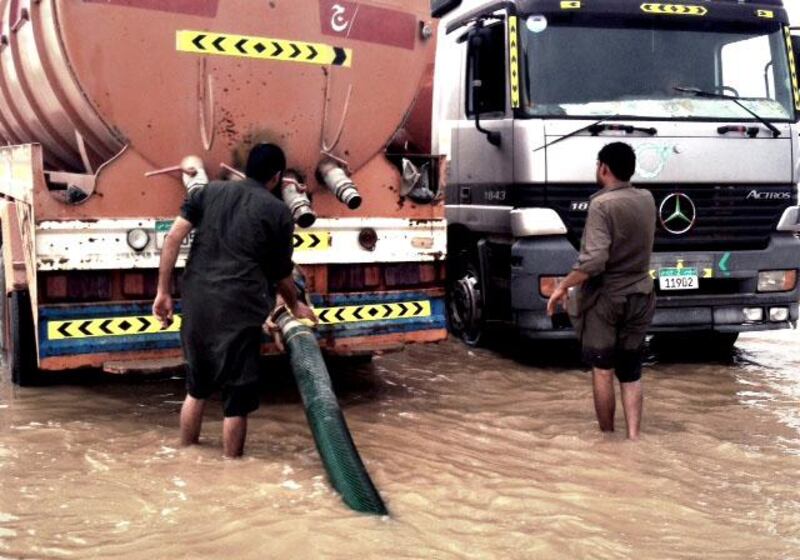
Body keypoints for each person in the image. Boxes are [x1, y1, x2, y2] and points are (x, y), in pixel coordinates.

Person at [153, 144, 317, 458]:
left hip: (198, 301)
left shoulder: (207, 193)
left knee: (196, 389)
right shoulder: (278, 212)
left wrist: (163, 292)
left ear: (247, 168)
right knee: (236, 400)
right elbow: (281, 272)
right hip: (239, 310)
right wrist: (294, 304)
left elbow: (173, 237)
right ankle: (232, 468)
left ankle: (186, 457)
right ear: (277, 177)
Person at [547, 142, 656, 440]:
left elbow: (594, 261)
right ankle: (634, 438)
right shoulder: (647, 199)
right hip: (642, 295)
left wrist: (563, 286)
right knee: (632, 371)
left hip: (608, 298)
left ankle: (608, 439)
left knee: (603, 369)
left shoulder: (602, 205)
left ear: (603, 168)